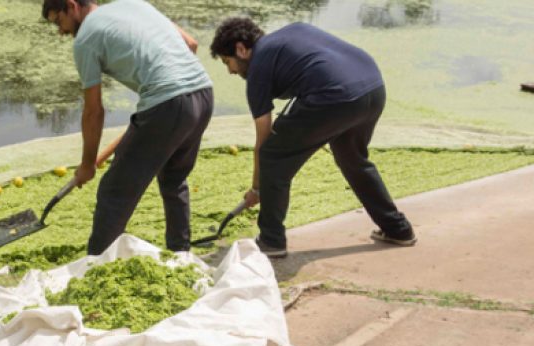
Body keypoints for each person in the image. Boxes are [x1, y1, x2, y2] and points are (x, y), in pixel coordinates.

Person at [209, 18, 415, 258]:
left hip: (334, 96)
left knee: (272, 156)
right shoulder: (295, 30)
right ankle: (398, 229)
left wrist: (257, 188)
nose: (231, 71)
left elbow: (263, 137)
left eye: (228, 62)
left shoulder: (258, 68)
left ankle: (271, 240)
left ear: (241, 49)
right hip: (372, 87)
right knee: (352, 158)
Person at [42, 0, 214, 254]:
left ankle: (96, 267)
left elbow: (93, 111)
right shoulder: (134, 4)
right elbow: (190, 44)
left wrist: (88, 164)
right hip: (203, 93)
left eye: (59, 21)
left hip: (167, 105)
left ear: (72, 6)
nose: (61, 31)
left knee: (114, 192)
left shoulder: (86, 38)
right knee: (173, 178)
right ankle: (181, 255)